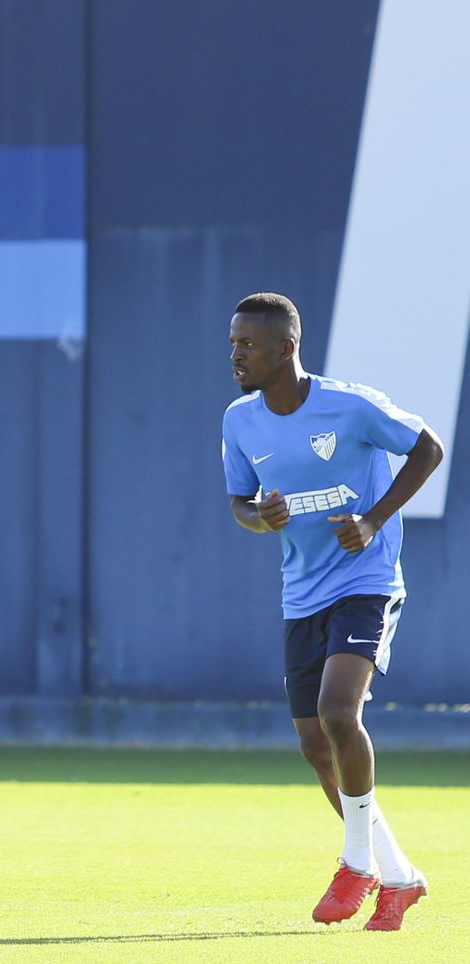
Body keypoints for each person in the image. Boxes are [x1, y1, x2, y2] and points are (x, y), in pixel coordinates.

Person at [222, 292, 440, 930]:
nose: (236, 354)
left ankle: (356, 864)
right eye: (233, 342)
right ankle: (399, 876)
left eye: (248, 344)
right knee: (318, 746)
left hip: (366, 580)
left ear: (286, 348)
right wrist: (260, 518)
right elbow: (238, 502)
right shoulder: (239, 419)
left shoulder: (350, 405)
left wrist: (373, 521)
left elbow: (427, 447)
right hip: (302, 593)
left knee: (338, 712)